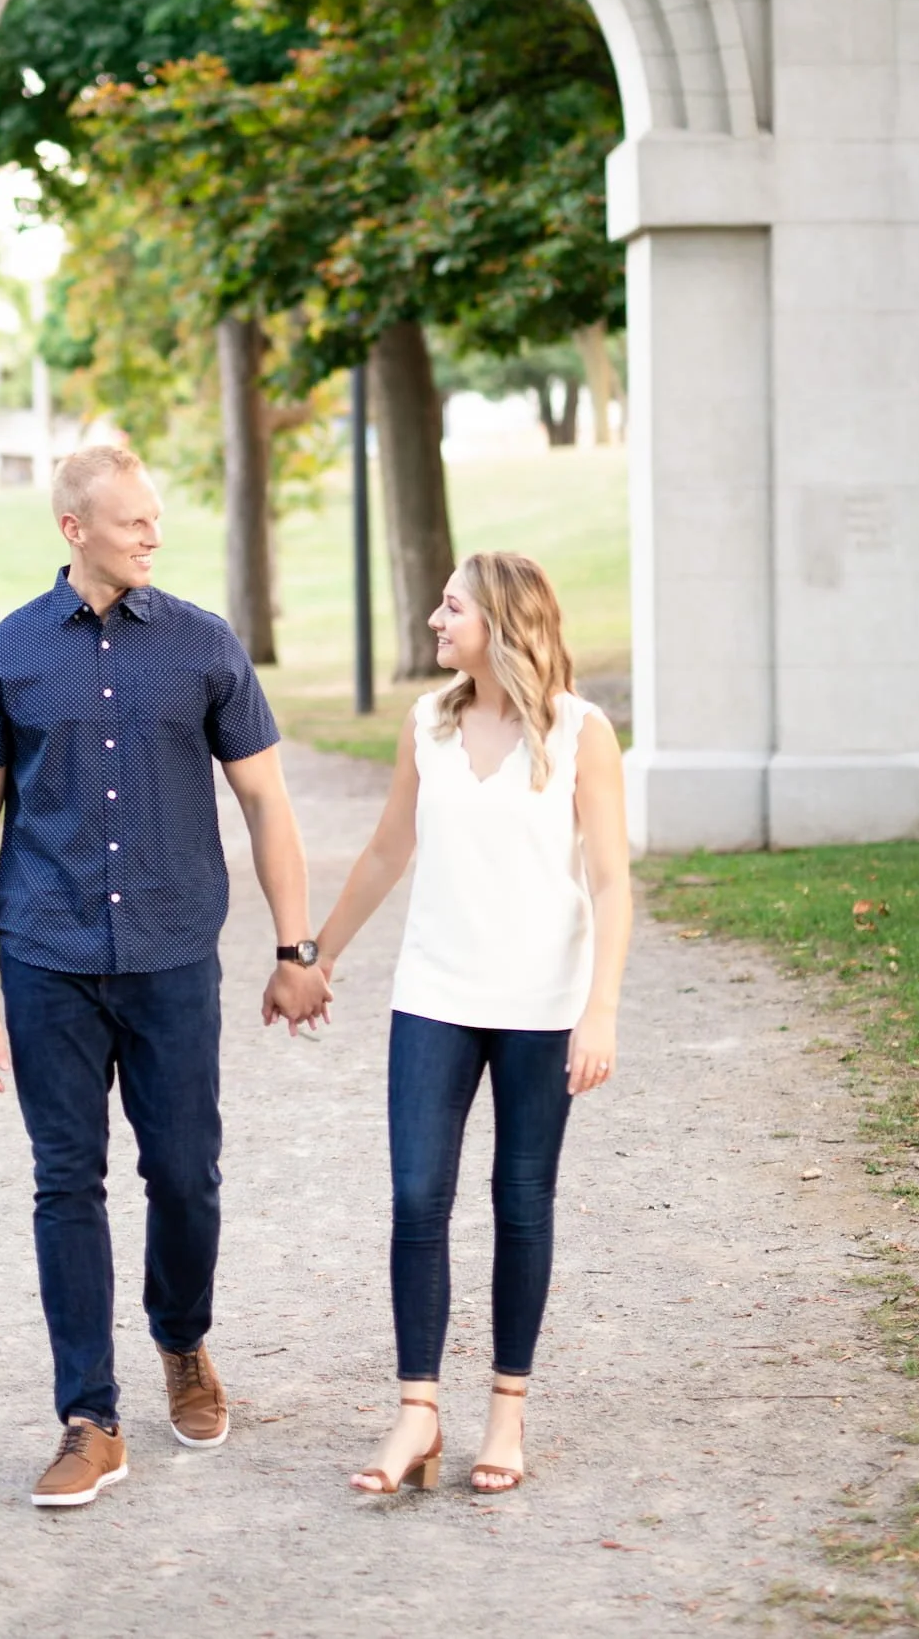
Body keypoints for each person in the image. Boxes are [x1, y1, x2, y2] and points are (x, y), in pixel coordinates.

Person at [0, 443, 331, 1509]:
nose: (153, 536)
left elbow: (267, 804)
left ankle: (183, 1340)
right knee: (66, 1181)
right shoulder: (2, 656)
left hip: (169, 960)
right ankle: (89, 1417)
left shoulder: (203, 647)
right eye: (131, 523)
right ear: (74, 530)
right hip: (47, 960)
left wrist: (296, 949)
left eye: (157, 519)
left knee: (187, 1173)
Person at [315, 550, 632, 1496]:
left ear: (500, 620)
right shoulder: (428, 721)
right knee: (417, 1198)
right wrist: (316, 955)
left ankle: (505, 1413)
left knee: (519, 1202)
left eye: (450, 607)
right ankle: (417, 1414)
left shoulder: (582, 732)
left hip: (542, 1008)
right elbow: (386, 850)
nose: (433, 621)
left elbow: (613, 882)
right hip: (434, 997)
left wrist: (599, 1008)